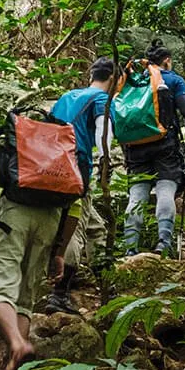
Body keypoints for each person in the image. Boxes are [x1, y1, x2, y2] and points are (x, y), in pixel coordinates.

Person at [0, 131, 83, 370]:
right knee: (25, 297)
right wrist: (60, 251)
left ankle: (17, 345)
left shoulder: (3, 142)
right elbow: (75, 205)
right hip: (50, 219)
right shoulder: (62, 148)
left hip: (12, 216)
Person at [45, 59, 117, 314]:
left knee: (96, 227)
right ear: (113, 78)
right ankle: (59, 294)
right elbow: (103, 133)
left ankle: (107, 282)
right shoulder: (101, 99)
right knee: (75, 225)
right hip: (77, 168)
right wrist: (105, 160)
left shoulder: (67, 96)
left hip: (50, 166)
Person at [121, 40, 185, 257]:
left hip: (135, 147)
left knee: (136, 196)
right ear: (167, 61)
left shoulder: (135, 80)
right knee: (165, 191)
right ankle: (163, 244)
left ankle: (130, 248)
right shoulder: (173, 80)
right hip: (165, 146)